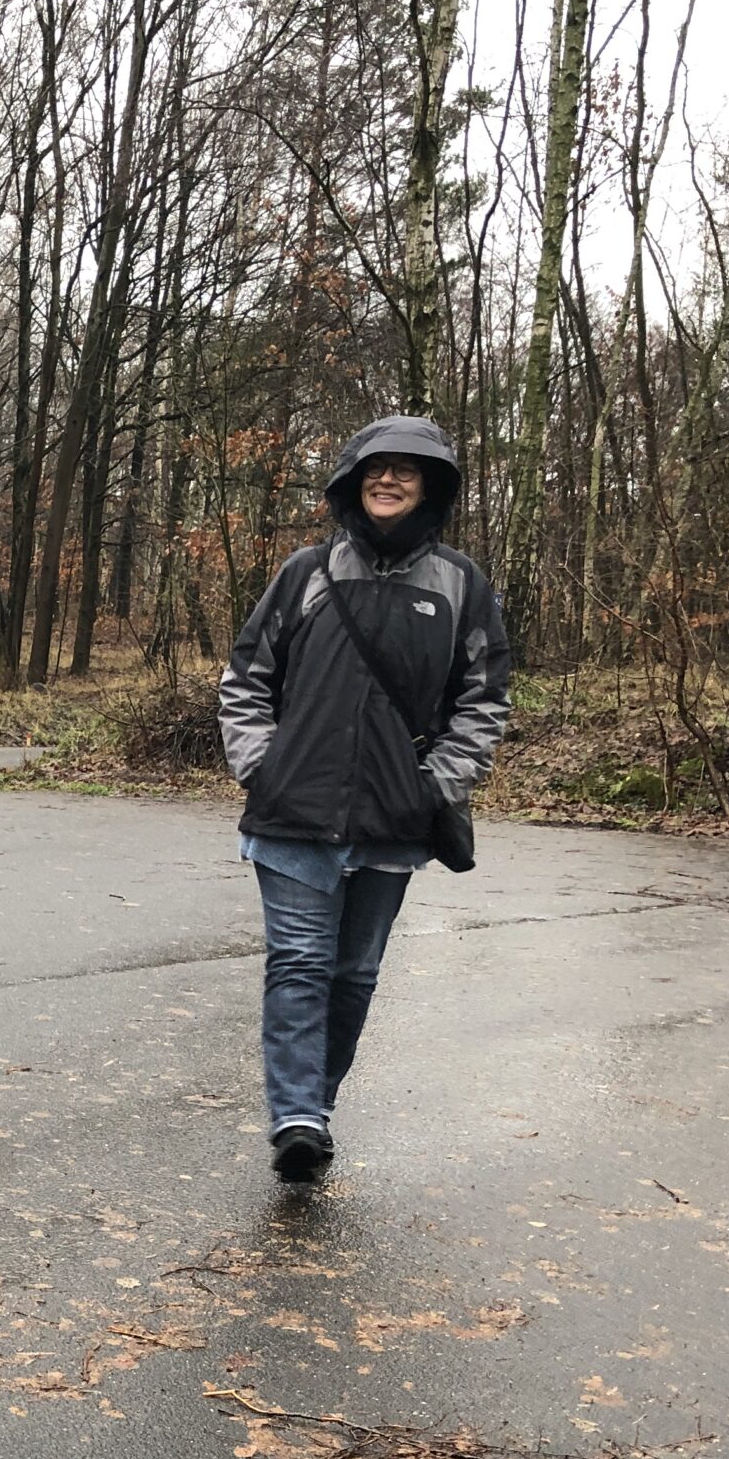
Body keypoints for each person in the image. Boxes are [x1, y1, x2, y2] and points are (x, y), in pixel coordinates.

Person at [218, 415, 509, 1181]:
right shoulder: (306, 572)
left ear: (430, 487)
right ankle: (297, 1117)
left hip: (395, 818)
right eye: (376, 467)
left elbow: (484, 700)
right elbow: (246, 679)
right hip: (292, 812)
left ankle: (315, 1103)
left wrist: (436, 785)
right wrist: (262, 767)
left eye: (406, 470)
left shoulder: (460, 585)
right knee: (300, 962)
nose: (388, 479)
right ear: (353, 480)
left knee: (353, 975)